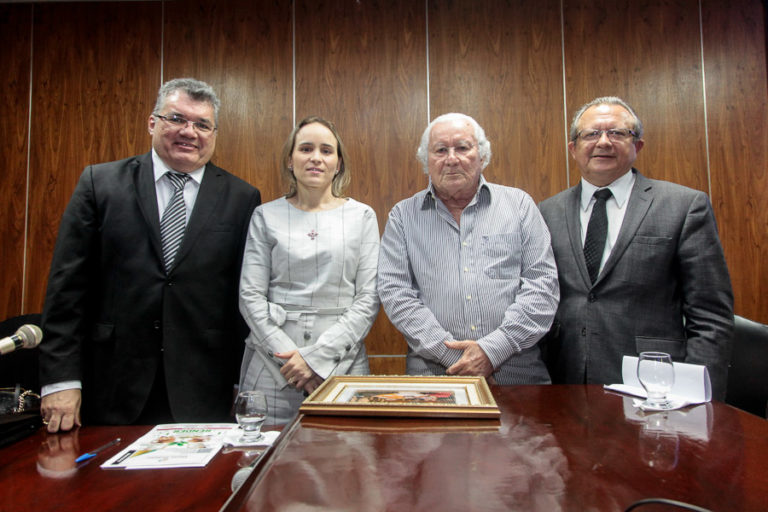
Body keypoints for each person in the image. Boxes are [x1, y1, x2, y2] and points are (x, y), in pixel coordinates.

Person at [39, 78, 261, 432]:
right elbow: (66, 290)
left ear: (214, 133)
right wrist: (60, 380)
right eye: (177, 119)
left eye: (202, 124)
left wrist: (241, 381)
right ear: (152, 122)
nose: (190, 132)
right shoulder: (101, 184)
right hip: (111, 385)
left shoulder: (242, 197)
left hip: (203, 388)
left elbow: (241, 299)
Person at [538, 96, 733, 399]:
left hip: (654, 385)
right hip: (565, 381)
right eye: (591, 134)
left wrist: (700, 397)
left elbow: (710, 316)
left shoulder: (682, 206)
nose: (603, 142)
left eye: (617, 133)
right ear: (573, 149)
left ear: (637, 146)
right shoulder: (546, 212)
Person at [378, 113, 559, 384]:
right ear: (426, 161)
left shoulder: (519, 206)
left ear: (482, 156)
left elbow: (542, 286)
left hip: (517, 377)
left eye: (463, 147)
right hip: (435, 377)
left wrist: (492, 351)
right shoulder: (403, 217)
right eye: (440, 150)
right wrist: (458, 359)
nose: (452, 159)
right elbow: (396, 294)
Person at [238, 116, 379, 424]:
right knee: (262, 462)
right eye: (305, 149)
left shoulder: (362, 217)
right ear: (290, 160)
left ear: (338, 163)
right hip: (272, 368)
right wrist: (293, 361)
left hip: (343, 364)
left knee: (345, 465)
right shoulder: (265, 216)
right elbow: (249, 296)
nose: (316, 157)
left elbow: (368, 298)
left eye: (326, 150)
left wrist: (316, 360)